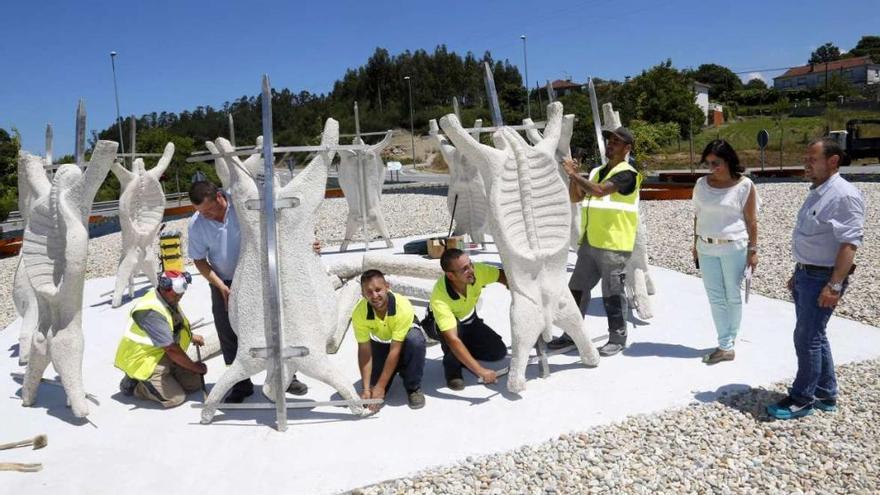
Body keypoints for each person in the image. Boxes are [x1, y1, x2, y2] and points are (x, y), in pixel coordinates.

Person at [767, 138, 864, 420]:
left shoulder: (844, 195)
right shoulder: (819, 190)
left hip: (823, 278)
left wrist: (834, 285)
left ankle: (801, 399)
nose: (806, 163)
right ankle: (826, 392)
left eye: (812, 159)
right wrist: (798, 273)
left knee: (806, 338)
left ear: (833, 161)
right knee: (816, 336)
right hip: (807, 274)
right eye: (806, 158)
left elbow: (849, 245)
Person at [187, 181, 310, 403]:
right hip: (223, 282)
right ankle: (240, 384)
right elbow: (198, 260)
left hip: (258, 277)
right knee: (227, 331)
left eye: (209, 210)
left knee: (273, 324)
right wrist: (219, 284)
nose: (205, 215)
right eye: (200, 212)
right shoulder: (197, 225)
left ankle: (286, 377)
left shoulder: (242, 205)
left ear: (219, 196)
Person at [548, 126, 643, 356]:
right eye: (609, 140)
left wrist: (572, 175)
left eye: (617, 142)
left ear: (627, 148)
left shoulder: (627, 174)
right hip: (590, 242)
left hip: (614, 244)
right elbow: (575, 197)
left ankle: (617, 338)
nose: (610, 144)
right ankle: (571, 334)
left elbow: (600, 192)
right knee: (577, 289)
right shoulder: (596, 171)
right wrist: (575, 179)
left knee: (612, 292)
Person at [691, 140, 760, 364]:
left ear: (729, 160)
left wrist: (754, 250)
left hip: (734, 247)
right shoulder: (701, 184)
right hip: (706, 246)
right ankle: (725, 344)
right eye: (708, 163)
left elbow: (752, 221)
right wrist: (695, 244)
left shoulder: (745, 185)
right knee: (715, 297)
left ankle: (728, 342)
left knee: (732, 295)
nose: (712, 167)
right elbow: (697, 215)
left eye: (716, 163)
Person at [114, 271, 206, 408]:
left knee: (194, 384)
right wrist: (194, 367)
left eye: (181, 294)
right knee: (176, 397)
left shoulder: (168, 299)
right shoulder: (151, 311)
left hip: (162, 353)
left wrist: (191, 336)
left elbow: (174, 326)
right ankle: (134, 384)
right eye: (176, 294)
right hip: (145, 360)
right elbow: (171, 349)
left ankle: (167, 377)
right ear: (164, 288)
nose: (179, 297)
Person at [423, 249, 508, 390]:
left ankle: (463, 355)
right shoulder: (440, 298)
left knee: (497, 352)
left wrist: (512, 286)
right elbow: (453, 339)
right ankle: (452, 370)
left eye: (470, 264)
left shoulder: (477, 271)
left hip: (469, 319)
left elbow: (501, 275)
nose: (471, 270)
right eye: (464, 269)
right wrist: (480, 371)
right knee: (454, 340)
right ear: (450, 275)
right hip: (440, 328)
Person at [353, 270, 426, 410]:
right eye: (369, 292)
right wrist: (366, 389)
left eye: (378, 289)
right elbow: (364, 351)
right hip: (382, 343)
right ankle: (396, 370)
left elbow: (395, 350)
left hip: (402, 343)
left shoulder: (402, 306)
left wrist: (381, 387)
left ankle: (413, 387)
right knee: (373, 392)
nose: (375, 296)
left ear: (387, 286)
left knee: (415, 341)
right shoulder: (359, 313)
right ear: (363, 294)